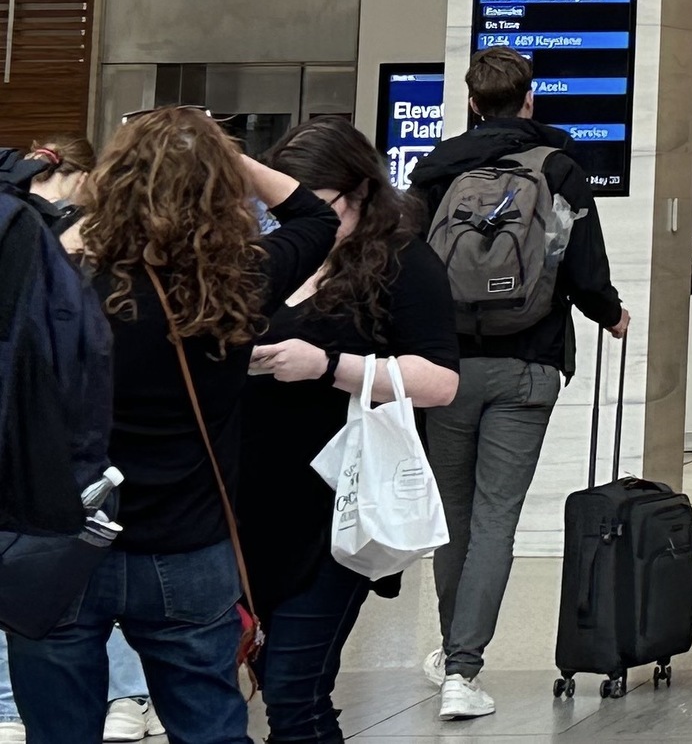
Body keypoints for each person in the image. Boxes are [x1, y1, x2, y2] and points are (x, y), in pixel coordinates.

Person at [4, 107, 335, 744]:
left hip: (64, 540)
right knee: (209, 730)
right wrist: (218, 157)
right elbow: (314, 217)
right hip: (187, 546)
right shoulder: (238, 280)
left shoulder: (61, 280)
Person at [406, 49, 628, 721]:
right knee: (498, 517)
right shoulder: (559, 166)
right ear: (529, 100)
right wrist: (609, 313)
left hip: (445, 367)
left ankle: (451, 653)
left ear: (473, 102)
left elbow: (407, 266)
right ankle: (463, 672)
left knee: (455, 517)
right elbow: (584, 267)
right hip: (529, 363)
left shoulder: (436, 170)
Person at [244, 122, 461, 744]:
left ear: (363, 192)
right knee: (268, 674)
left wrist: (330, 367)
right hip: (253, 505)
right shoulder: (281, 255)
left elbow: (440, 380)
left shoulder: (403, 261)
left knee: (295, 687)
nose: (304, 217)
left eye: (321, 204)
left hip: (340, 508)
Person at [5, 138, 160, 744]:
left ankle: (106, 696)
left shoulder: (52, 240)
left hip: (59, 450)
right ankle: (122, 697)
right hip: (92, 455)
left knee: (45, 577)